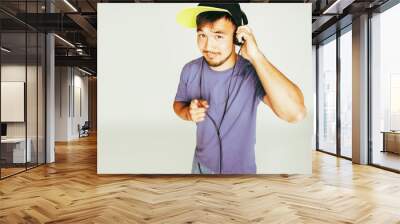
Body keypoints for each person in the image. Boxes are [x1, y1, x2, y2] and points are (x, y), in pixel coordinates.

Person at [173, 3, 307, 174]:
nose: (208, 46)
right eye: (202, 35)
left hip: (240, 174)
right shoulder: (189, 70)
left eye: (218, 36)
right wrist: (188, 113)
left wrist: (256, 56)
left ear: (237, 36)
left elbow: (296, 114)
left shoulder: (252, 72)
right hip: (199, 166)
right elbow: (178, 104)